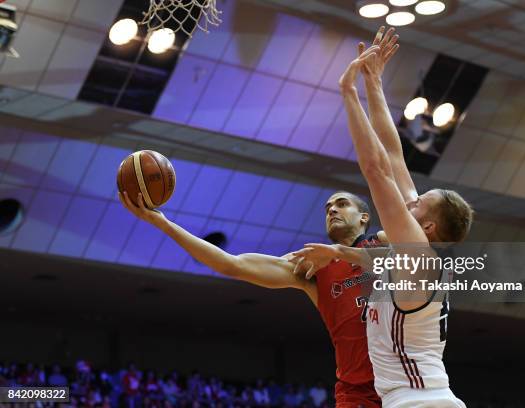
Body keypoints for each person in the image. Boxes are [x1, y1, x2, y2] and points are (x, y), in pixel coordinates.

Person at [294, 27, 473, 407]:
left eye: (419, 202)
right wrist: (374, 81)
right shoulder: (416, 254)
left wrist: (348, 93)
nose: (410, 199)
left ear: (427, 227)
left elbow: (375, 170)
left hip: (415, 401)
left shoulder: (416, 251)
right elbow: (393, 157)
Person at [118, 188, 383, 407]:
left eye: (341, 204)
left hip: (406, 377)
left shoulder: (385, 245)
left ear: (363, 217)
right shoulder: (312, 266)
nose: (332, 210)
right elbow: (230, 265)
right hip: (357, 391)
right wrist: (164, 224)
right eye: (327, 208)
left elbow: (422, 256)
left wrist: (343, 252)